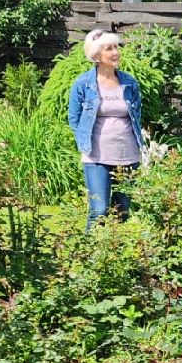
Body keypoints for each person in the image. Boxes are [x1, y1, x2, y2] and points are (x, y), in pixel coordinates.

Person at [67, 29, 144, 228]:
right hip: (96, 157)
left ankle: (114, 248)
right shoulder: (83, 84)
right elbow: (74, 118)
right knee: (99, 211)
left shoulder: (129, 82)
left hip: (128, 155)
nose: (115, 52)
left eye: (116, 47)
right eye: (109, 49)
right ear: (96, 56)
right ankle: (90, 248)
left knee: (122, 211)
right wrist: (84, 142)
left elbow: (136, 114)